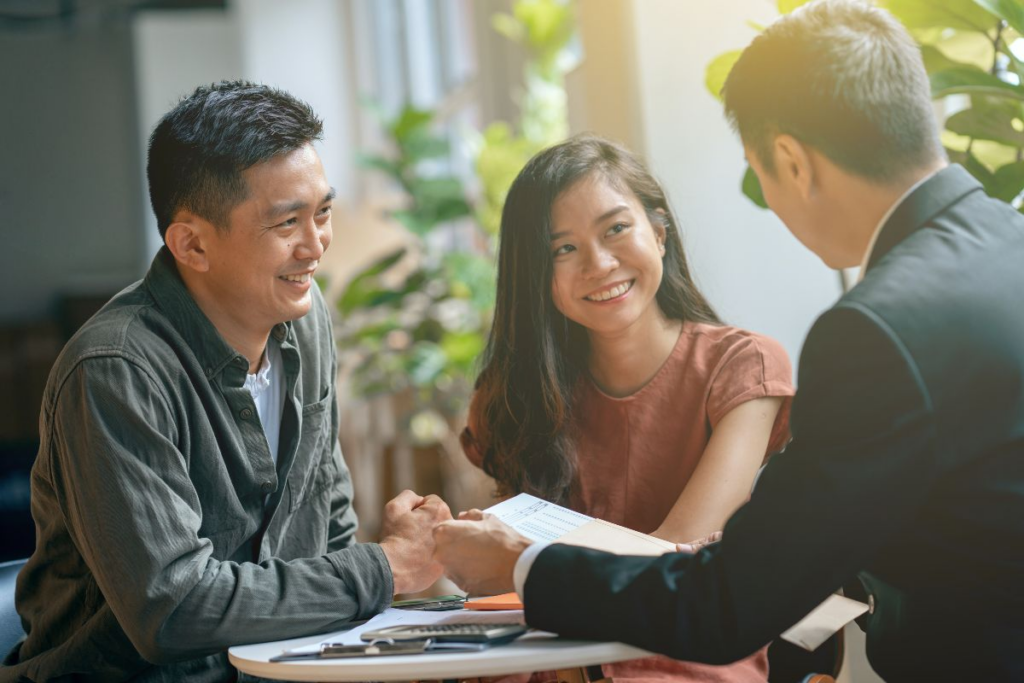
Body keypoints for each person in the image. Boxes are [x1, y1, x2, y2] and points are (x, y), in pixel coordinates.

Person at [433, 1, 1024, 680]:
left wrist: (520, 563)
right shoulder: (1009, 248)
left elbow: (730, 601)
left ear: (790, 161)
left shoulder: (875, 331)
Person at [2, 81, 450, 683]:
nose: (315, 246)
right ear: (192, 243)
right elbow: (174, 609)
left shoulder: (304, 314)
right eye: (287, 222)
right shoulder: (115, 370)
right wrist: (384, 570)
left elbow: (328, 517)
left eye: (322, 212)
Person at [459, 135, 794, 681]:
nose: (598, 263)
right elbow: (500, 584)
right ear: (535, 276)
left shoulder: (743, 367)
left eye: (616, 229)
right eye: (562, 249)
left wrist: (516, 561)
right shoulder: (513, 397)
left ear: (659, 234)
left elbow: (671, 564)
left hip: (682, 662)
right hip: (544, 661)